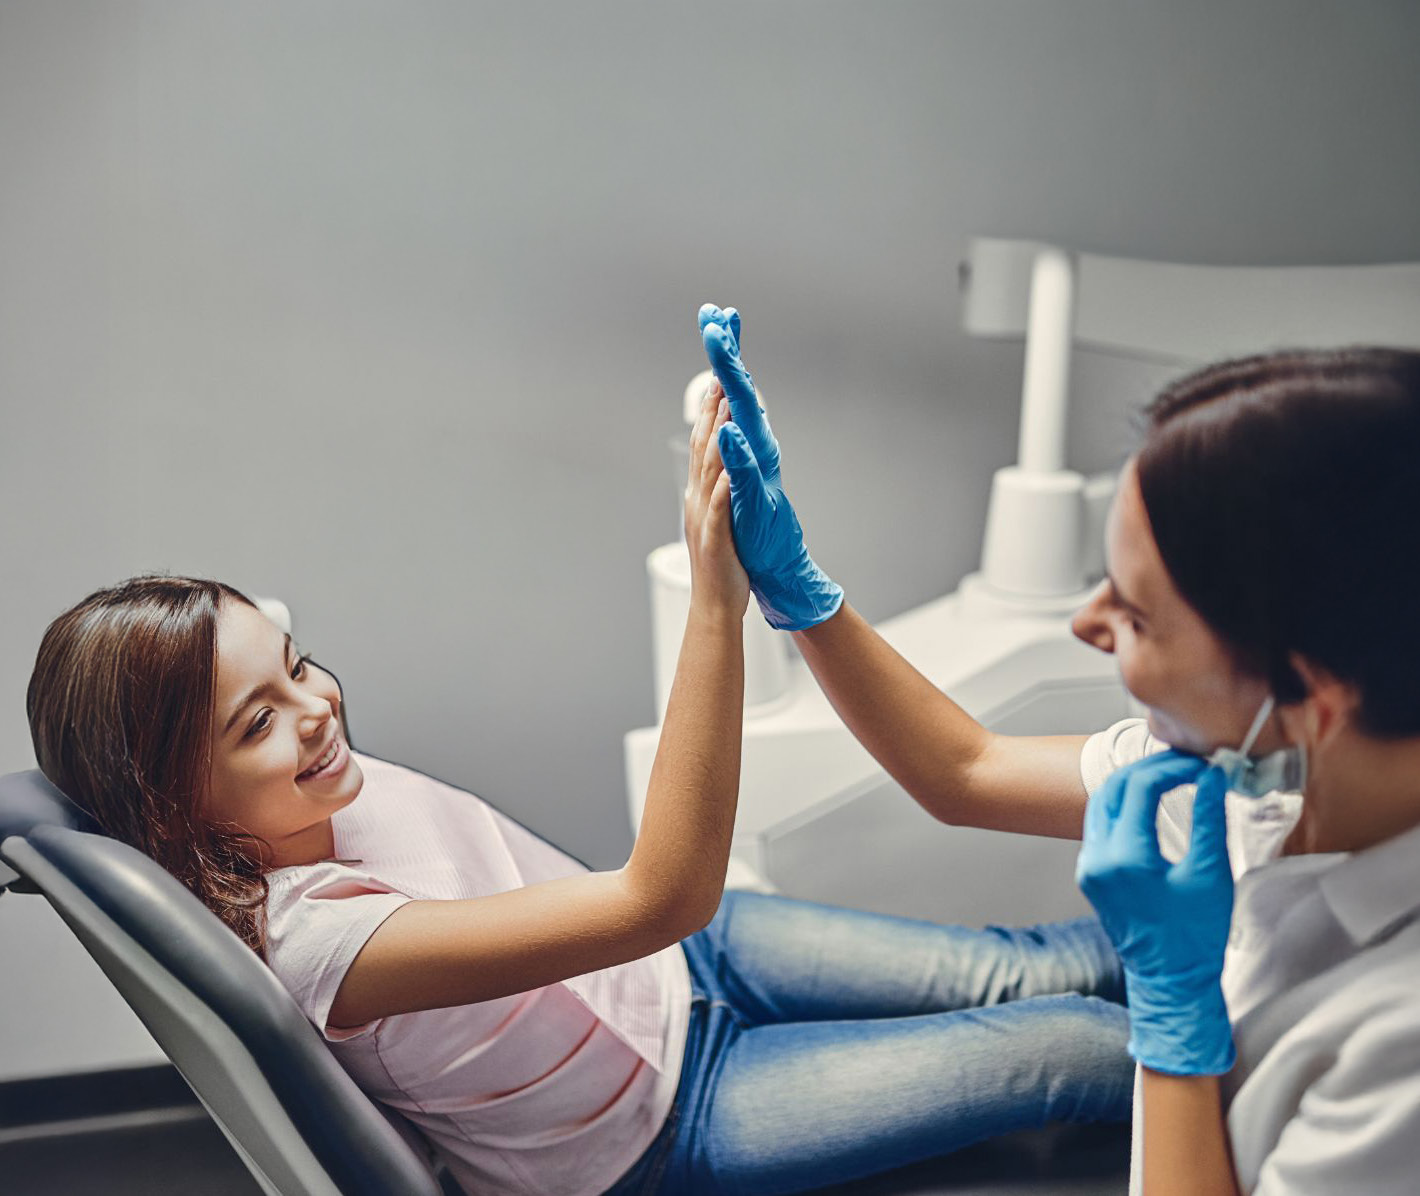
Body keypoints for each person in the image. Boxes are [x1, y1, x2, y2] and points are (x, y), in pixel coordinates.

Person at [24, 361, 1136, 1196]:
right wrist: (716, 591)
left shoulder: (302, 777)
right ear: (173, 800)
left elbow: (670, 925)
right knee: (1071, 1051)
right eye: (258, 719)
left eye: (298, 665)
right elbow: (660, 890)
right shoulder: (326, 940)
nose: (315, 707)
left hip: (684, 960)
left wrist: (709, 453)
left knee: (1034, 965)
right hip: (668, 1121)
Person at [697, 303, 1420, 1195]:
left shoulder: (1402, 1049)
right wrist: (802, 593)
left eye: (1137, 614)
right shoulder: (1267, 770)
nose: (1087, 622)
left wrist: (1174, 1020)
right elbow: (967, 771)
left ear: (1311, 694)